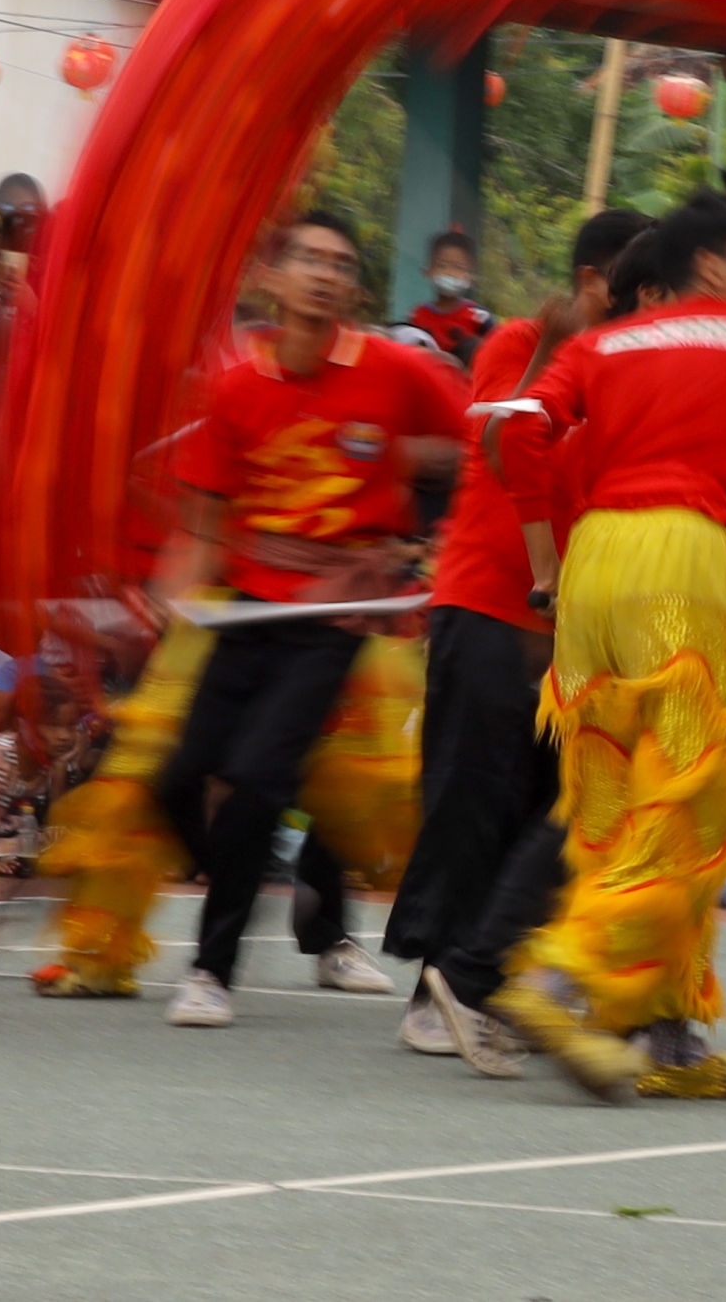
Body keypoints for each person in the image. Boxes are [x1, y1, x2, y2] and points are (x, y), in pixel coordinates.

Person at [488, 194, 726, 1100]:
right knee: (691, 805)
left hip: (594, 567)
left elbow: (516, 427)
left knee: (614, 800)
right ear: (711, 268)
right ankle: (559, 982)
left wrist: (545, 561)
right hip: (681, 559)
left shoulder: (597, 346)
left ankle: (664, 1033)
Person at [148, 210, 465, 1029]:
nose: (325, 274)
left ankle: (213, 968)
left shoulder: (395, 370)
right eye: (309, 260)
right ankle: (266, 889)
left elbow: (475, 446)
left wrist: (416, 481)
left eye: (340, 263)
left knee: (260, 782)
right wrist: (176, 588)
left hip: (343, 613)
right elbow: (206, 511)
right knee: (178, 779)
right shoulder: (236, 384)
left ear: (353, 286)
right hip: (247, 606)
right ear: (274, 278)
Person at [391, 204, 646, 1076]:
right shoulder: (520, 346)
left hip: (569, 628)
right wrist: (560, 347)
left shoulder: (624, 366)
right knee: (470, 802)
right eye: (628, 293)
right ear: (589, 282)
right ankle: (434, 989)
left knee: (546, 812)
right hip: (487, 604)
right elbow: (505, 441)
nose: (639, 312)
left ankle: (488, 981)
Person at [405, 226, 496, 368]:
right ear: (428, 272)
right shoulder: (417, 315)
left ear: (470, 278)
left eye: (458, 267)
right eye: (442, 265)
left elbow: (496, 352)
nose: (449, 273)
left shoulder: (479, 316)